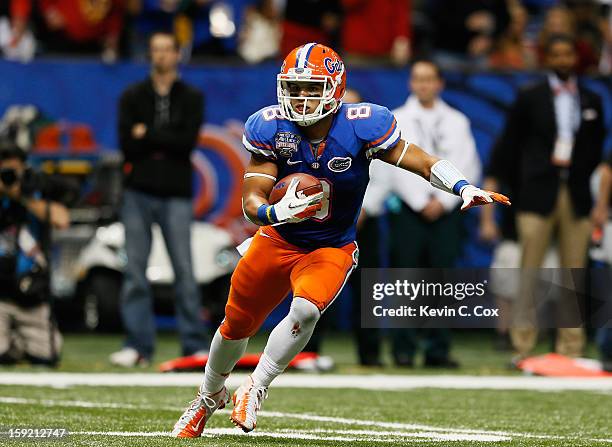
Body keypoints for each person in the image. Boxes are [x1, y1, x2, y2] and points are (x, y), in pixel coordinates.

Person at [171, 42, 509, 437]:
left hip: (331, 245)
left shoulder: (363, 123)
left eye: (311, 87)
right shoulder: (270, 127)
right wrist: (275, 213)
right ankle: (208, 397)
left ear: (334, 87)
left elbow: (420, 160)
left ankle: (256, 385)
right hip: (278, 240)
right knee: (235, 326)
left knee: (307, 310)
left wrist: (462, 186)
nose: (300, 97)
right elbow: (251, 199)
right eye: (294, 88)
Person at [483, 34, 604, 362]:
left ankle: (571, 349)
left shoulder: (591, 99)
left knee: (573, 275)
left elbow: (596, 148)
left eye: (568, 54)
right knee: (529, 271)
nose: (563, 60)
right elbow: (509, 146)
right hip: (536, 193)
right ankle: (522, 347)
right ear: (547, 59)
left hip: (576, 192)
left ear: (575, 59)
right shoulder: (530, 96)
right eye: (557, 54)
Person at [361, 60, 481, 368]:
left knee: (442, 280)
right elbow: (390, 167)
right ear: (411, 83)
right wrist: (419, 200)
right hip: (408, 212)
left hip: (447, 210)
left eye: (429, 79)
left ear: (440, 83)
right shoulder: (396, 119)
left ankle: (437, 350)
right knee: (406, 281)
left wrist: (443, 202)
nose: (424, 84)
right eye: (418, 79)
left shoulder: (457, 121)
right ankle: (403, 350)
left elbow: (467, 163)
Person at [109, 32, 208, 367]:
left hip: (176, 193)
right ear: (150, 54)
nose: (161, 56)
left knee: (184, 270)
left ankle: (194, 344)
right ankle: (138, 346)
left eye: (167, 50)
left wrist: (148, 134)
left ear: (178, 55)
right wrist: (164, 140)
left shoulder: (191, 97)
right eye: (156, 49)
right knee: (135, 270)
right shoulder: (132, 95)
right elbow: (127, 144)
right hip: (138, 191)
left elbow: (186, 143)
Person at [0, 144, 69, 366]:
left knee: (48, 355)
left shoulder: (34, 192)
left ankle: (16, 344)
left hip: (30, 294)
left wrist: (20, 196)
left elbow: (62, 219)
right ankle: (10, 344)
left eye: (13, 172)